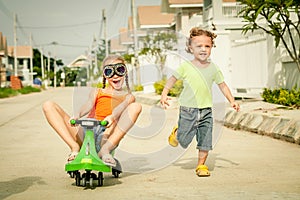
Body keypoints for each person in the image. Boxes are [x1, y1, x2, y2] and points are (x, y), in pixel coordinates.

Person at [160, 27, 240, 177]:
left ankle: (201, 165)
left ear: (211, 48)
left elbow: (222, 85)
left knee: (205, 139)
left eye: (207, 46)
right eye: (199, 46)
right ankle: (177, 134)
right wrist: (164, 94)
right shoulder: (186, 66)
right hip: (187, 110)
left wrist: (232, 101)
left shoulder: (214, 68)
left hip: (206, 111)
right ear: (191, 48)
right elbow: (172, 79)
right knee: (184, 140)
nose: (203, 49)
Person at [43, 55, 142, 167]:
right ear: (105, 75)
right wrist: (77, 115)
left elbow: (120, 109)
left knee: (136, 106)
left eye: (119, 70)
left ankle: (105, 151)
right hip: (87, 131)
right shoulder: (98, 91)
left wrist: (111, 117)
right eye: (110, 71)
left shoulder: (128, 97)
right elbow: (89, 104)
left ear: (125, 72)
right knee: (48, 105)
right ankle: (74, 147)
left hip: (107, 134)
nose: (115, 75)